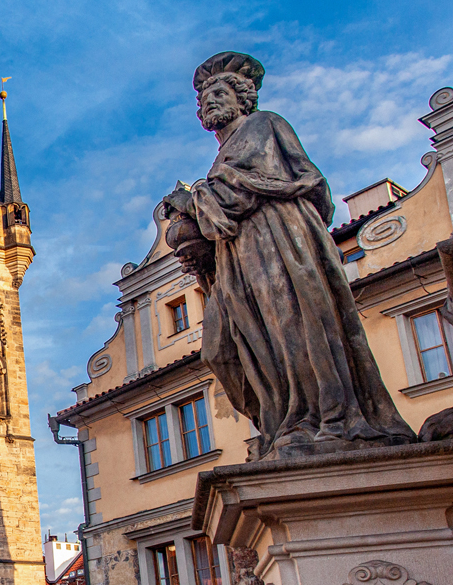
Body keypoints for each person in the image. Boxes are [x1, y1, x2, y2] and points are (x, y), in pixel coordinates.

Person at [162, 51, 414, 461]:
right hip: (239, 255)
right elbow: (225, 205)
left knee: (293, 327)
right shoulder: (222, 156)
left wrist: (191, 201)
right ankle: (280, 421)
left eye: (220, 93)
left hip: (278, 240)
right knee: (222, 349)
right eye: (204, 98)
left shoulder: (263, 125)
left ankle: (317, 419)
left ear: (243, 99)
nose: (210, 102)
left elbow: (251, 190)